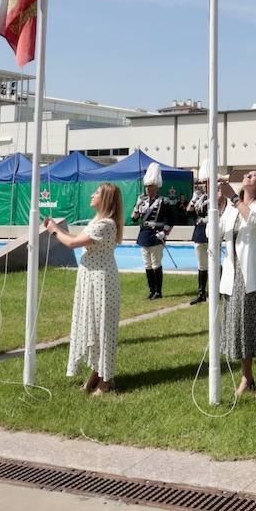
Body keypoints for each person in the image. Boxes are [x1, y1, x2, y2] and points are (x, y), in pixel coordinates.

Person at [44, 183, 124, 395]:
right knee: (93, 325)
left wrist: (53, 230)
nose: (92, 195)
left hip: (101, 279)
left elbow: (72, 243)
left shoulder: (105, 224)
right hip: (91, 277)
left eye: (96, 193)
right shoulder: (97, 221)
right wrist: (55, 228)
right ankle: (95, 375)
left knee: (103, 327)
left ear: (105, 198)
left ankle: (106, 380)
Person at [218, 169, 256, 400]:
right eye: (247, 174)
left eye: (254, 176)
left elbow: (253, 221)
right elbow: (215, 234)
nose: (248, 177)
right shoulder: (231, 210)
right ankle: (246, 376)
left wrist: (233, 198)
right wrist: (219, 206)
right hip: (234, 277)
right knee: (240, 327)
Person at [131, 165, 176, 300]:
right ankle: (151, 291)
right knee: (147, 264)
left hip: (156, 234)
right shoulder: (142, 201)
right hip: (144, 234)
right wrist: (136, 207)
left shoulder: (163, 201)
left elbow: (172, 219)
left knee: (156, 263)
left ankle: (158, 292)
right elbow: (134, 219)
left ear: (156, 187)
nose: (148, 189)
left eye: (150, 186)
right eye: (147, 186)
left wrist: (165, 232)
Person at [186, 165, 212, 304]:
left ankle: (216, 291)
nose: (205, 185)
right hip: (199, 232)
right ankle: (202, 293)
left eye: (208, 181)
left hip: (212, 231)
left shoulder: (218, 195)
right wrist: (193, 199)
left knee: (214, 262)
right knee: (201, 265)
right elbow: (188, 213)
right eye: (204, 182)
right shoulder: (200, 197)